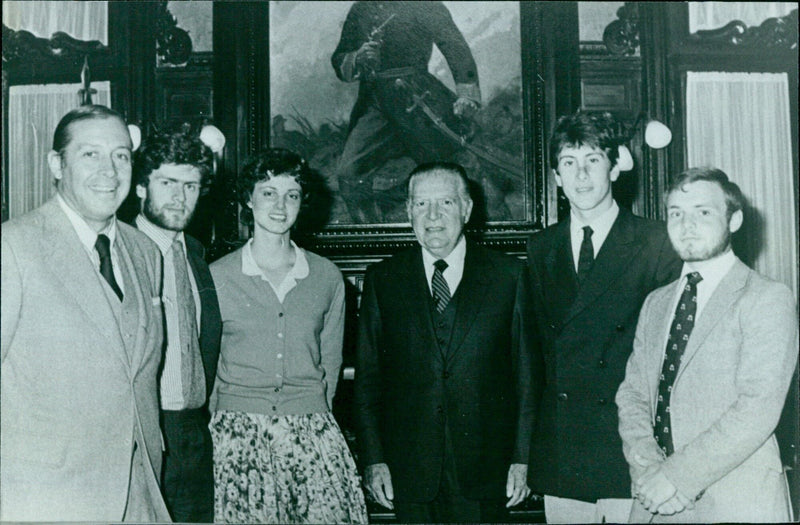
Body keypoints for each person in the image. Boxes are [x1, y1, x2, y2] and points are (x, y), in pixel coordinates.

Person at [0, 104, 170, 521]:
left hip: (140, 489)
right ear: (56, 164)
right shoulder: (14, 248)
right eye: (90, 154)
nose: (109, 171)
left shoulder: (145, 252)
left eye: (121, 155)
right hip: (44, 496)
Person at [517, 111, 681, 523]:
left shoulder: (656, 241)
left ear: (615, 165)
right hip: (563, 448)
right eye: (568, 163)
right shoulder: (541, 247)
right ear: (556, 177)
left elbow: (668, 361)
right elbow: (533, 358)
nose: (582, 175)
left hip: (630, 446)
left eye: (592, 159)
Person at [616, 167, 798, 523]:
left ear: (734, 220)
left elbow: (757, 409)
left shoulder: (767, 297)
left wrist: (673, 477)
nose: (687, 225)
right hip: (656, 503)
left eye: (703, 212)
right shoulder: (656, 302)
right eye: (676, 214)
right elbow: (632, 395)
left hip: (738, 502)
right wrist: (648, 470)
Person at [355, 162, 532, 523]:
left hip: (487, 472)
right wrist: (374, 460)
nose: (432, 216)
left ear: (466, 209)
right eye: (421, 205)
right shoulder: (383, 280)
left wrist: (523, 458)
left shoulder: (509, 277)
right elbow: (368, 382)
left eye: (446, 203)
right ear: (408, 211)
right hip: (409, 474)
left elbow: (528, 379)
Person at [208, 149, 368, 524]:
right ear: (248, 199)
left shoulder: (327, 277)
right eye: (268, 192)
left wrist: (310, 412)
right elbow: (208, 363)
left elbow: (330, 360)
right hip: (236, 437)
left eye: (291, 195)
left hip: (311, 431)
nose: (280, 205)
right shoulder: (216, 277)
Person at [132, 123, 222, 522]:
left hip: (193, 433)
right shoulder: (117, 253)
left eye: (190, 185)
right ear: (140, 187)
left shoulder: (198, 256)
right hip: (139, 433)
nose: (179, 197)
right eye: (167, 182)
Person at [332, 1, 481, 223]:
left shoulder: (425, 4)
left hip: (418, 99)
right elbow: (340, 57)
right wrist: (357, 58)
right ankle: (373, 239)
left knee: (443, 171)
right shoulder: (360, 9)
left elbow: (454, 45)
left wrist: (467, 95)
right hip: (374, 104)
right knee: (349, 174)